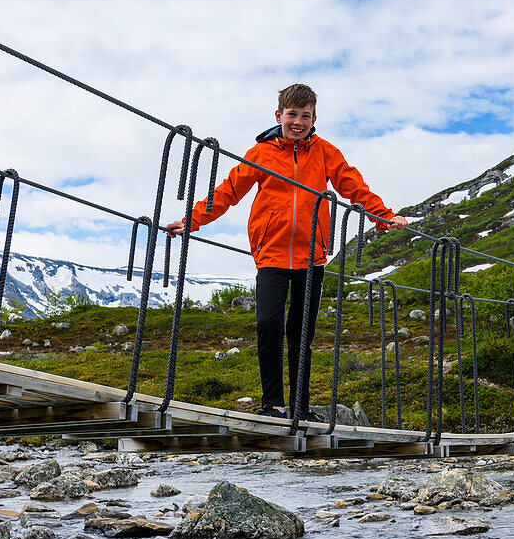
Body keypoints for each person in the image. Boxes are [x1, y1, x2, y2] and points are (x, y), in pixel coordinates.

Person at [165, 84, 408, 421]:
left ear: (313, 119)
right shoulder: (260, 153)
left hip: (312, 255)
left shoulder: (325, 152)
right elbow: (227, 192)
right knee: (268, 324)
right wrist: (190, 221)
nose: (298, 122)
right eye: (292, 115)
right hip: (271, 253)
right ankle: (273, 404)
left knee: (301, 333)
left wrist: (383, 216)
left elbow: (353, 185)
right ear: (278, 116)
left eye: (304, 116)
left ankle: (301, 406)